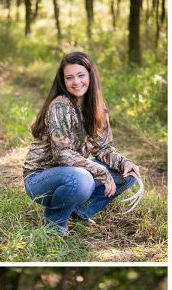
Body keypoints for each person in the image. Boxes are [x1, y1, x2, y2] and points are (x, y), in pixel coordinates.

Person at [22, 52, 140, 235]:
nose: (76, 82)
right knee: (82, 178)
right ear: (63, 81)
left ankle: (78, 211)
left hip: (72, 172)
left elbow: (103, 148)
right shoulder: (59, 106)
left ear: (90, 76)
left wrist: (124, 162)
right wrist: (100, 172)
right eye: (69, 77)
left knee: (127, 175)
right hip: (40, 178)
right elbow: (62, 154)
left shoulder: (97, 107)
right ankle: (54, 225)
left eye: (81, 75)